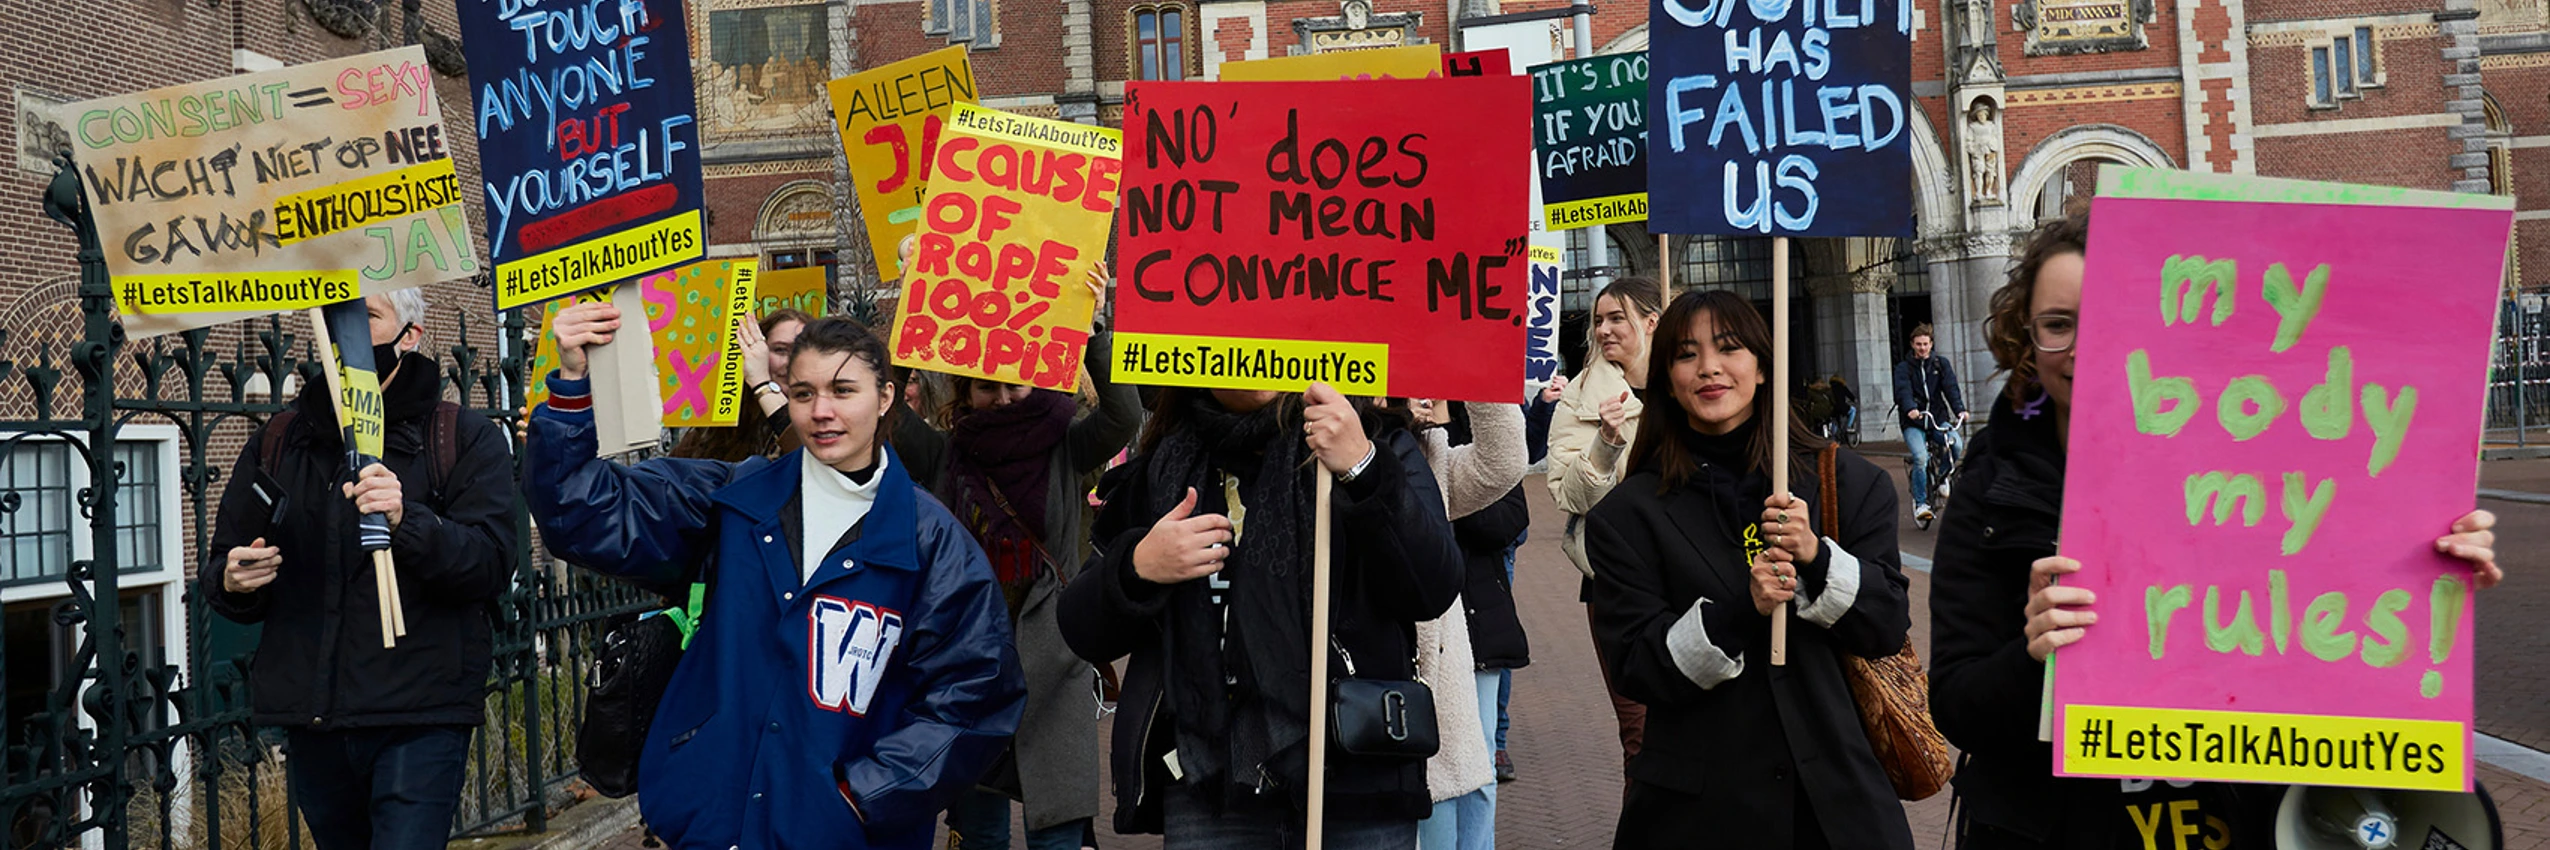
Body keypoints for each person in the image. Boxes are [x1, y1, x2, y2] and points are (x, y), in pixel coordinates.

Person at [1926, 214, 2505, 849]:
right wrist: (2033, 656)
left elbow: (2340, 649)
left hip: (2244, 820)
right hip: (2056, 828)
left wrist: (2422, 562)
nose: (2086, 346)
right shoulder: (1992, 484)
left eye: (2115, 315)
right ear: (2027, 338)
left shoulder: (2280, 472)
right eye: (2059, 324)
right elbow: (1959, 707)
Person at [525, 307, 1027, 849]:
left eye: (843, 390)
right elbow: (585, 514)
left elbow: (974, 696)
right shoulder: (735, 500)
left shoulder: (932, 543)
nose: (822, 412)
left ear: (884, 398)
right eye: (804, 393)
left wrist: (864, 795)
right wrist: (573, 387)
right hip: (713, 825)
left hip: (841, 836)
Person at [1057, 383, 1463, 848]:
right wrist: (1136, 568)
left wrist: (1363, 469)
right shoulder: (1167, 463)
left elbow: (1432, 588)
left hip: (1353, 777)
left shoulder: (1371, 441)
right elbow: (1080, 628)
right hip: (1211, 787)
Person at [1586, 290, 1914, 850]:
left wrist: (1817, 559)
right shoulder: (1627, 516)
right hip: (1697, 814)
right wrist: (1743, 609)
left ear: (1762, 367)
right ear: (1666, 378)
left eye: (1730, 348)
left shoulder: (1849, 483)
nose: (1710, 367)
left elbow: (1885, 624)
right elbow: (1637, 666)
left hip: (1836, 808)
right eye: (1686, 354)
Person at [208, 290, 518, 850]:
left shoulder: (459, 436)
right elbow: (224, 567)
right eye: (333, 316)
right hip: (316, 719)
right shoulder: (281, 440)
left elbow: (492, 562)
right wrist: (235, 579)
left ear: (411, 335)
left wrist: (408, 521)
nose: (343, 329)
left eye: (366, 316)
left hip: (419, 715)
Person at [919, 273, 1142, 850]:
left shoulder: (1065, 442)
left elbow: (1122, 417)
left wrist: (1095, 330)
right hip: (971, 662)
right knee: (981, 824)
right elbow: (885, 419)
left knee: (1059, 824)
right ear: (965, 394)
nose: (1004, 400)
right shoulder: (947, 454)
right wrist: (916, 297)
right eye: (987, 389)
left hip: (1055, 657)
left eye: (1015, 386)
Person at [1547, 275, 1664, 762]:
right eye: (1599, 319)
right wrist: (1606, 443)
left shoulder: (1690, 387)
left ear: (1652, 322)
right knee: (1642, 736)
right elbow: (1569, 496)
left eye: (1618, 318)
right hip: (1617, 582)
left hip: (1693, 576)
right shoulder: (1580, 398)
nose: (1604, 329)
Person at [1407, 399, 1528, 850]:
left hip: (1448, 656)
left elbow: (1504, 468)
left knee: (1461, 785)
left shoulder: (1424, 452)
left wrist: (1475, 373)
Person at [669, 307, 812, 461]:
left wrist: (763, 385)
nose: (790, 362)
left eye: (800, 350)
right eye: (780, 350)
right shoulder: (722, 428)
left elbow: (809, 454)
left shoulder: (829, 414)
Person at [1893, 323, 1968, 525]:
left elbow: (1951, 388)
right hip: (1913, 422)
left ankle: (1943, 477)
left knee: (1956, 444)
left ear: (1931, 344)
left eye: (1926, 344)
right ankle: (1921, 504)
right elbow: (1902, 390)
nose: (1922, 348)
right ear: (1912, 345)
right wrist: (1910, 408)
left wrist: (1960, 409)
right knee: (1920, 457)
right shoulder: (1903, 368)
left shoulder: (1940, 364)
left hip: (1936, 417)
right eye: (1918, 344)